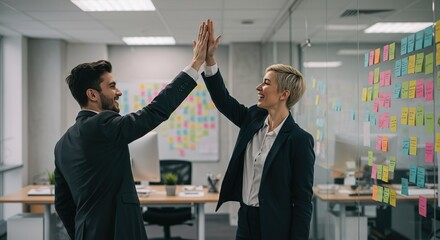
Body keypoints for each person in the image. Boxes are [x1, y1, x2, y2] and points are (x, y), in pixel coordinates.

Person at [54, 21, 209, 240]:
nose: (118, 92)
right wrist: (194, 66)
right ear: (93, 94)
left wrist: (82, 231)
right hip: (118, 230)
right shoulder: (103, 124)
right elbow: (154, 112)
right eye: (111, 86)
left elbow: (62, 203)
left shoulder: (62, 144)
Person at [202, 20, 315, 240]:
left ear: (284, 94)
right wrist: (209, 60)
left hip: (275, 224)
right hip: (246, 218)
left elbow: (302, 201)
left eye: (265, 83)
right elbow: (222, 100)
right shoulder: (252, 118)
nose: (258, 87)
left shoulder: (299, 140)